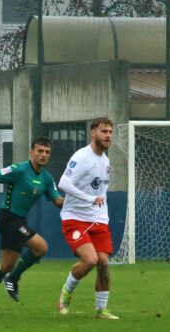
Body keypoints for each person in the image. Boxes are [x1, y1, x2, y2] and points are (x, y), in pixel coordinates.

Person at [0, 137, 63, 309]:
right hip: (8, 219)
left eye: (47, 152)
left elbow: (57, 201)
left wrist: (79, 200)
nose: (43, 155)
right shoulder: (18, 169)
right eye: (40, 151)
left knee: (6, 265)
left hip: (19, 220)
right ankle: (13, 278)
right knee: (41, 247)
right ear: (31, 152)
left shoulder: (47, 178)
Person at [57, 117, 118, 320]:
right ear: (93, 133)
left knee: (103, 262)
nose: (108, 135)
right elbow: (64, 184)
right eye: (103, 131)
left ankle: (101, 310)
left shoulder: (106, 161)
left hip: (98, 220)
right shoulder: (82, 156)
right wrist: (89, 199)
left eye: (110, 132)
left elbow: (102, 192)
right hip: (74, 218)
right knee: (90, 260)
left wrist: (102, 213)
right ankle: (66, 294)